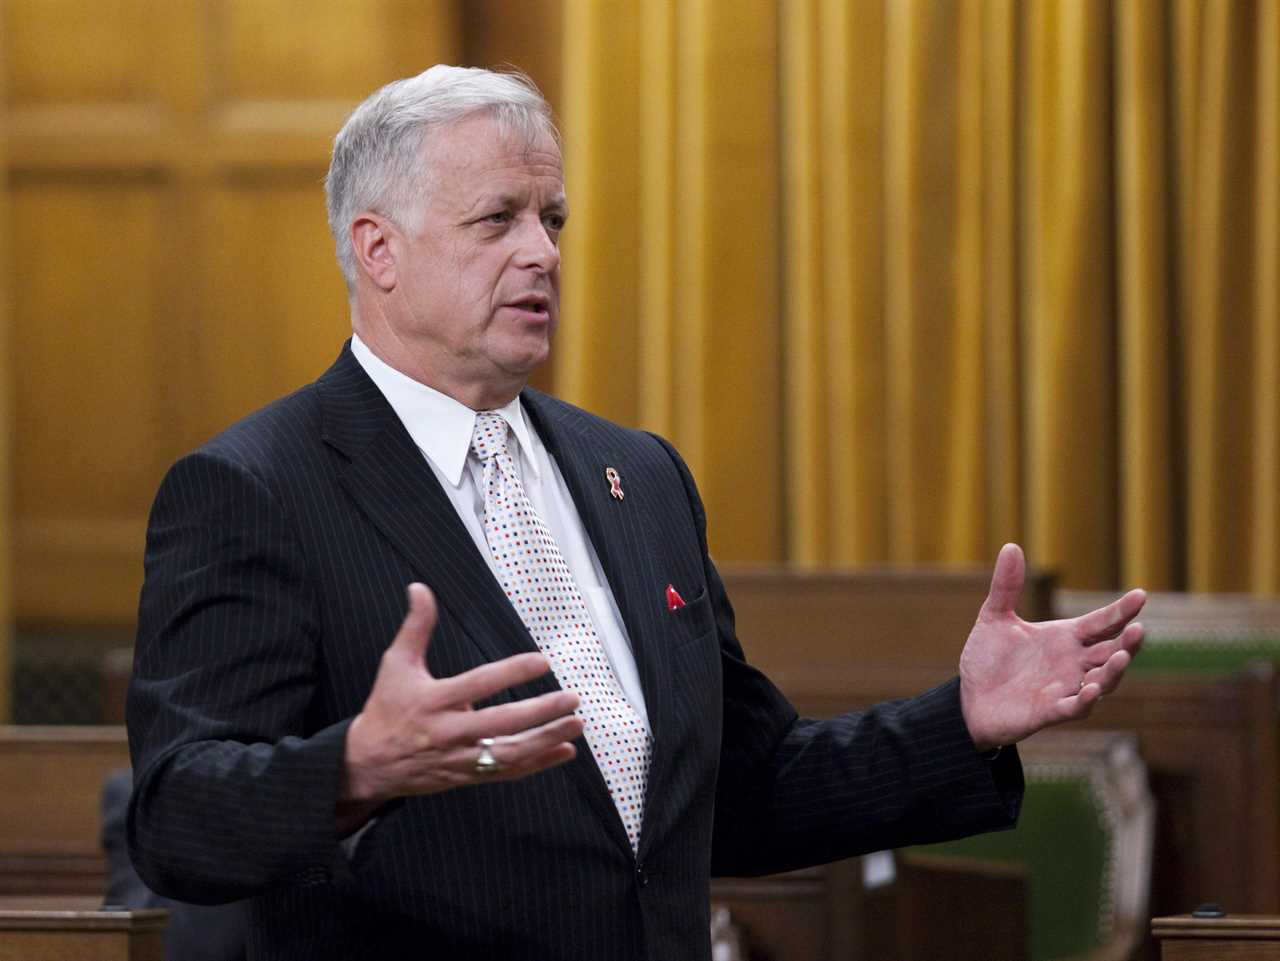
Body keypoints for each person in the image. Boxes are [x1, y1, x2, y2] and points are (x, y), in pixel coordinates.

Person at [126, 65, 1145, 961]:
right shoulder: (255, 488)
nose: (542, 253)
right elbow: (175, 817)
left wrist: (958, 721)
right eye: (497, 220)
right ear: (377, 250)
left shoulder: (637, 474)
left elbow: (738, 795)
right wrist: (351, 768)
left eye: (552, 218)